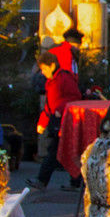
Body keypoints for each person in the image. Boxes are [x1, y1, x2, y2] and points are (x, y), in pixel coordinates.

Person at [33, 49, 86, 188]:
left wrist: (59, 110)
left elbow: (74, 97)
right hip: (58, 120)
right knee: (61, 151)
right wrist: (43, 122)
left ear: (51, 65)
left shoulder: (62, 78)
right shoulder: (53, 81)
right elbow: (49, 105)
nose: (43, 72)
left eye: (44, 69)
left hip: (65, 121)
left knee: (57, 150)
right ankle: (73, 183)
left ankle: (43, 180)